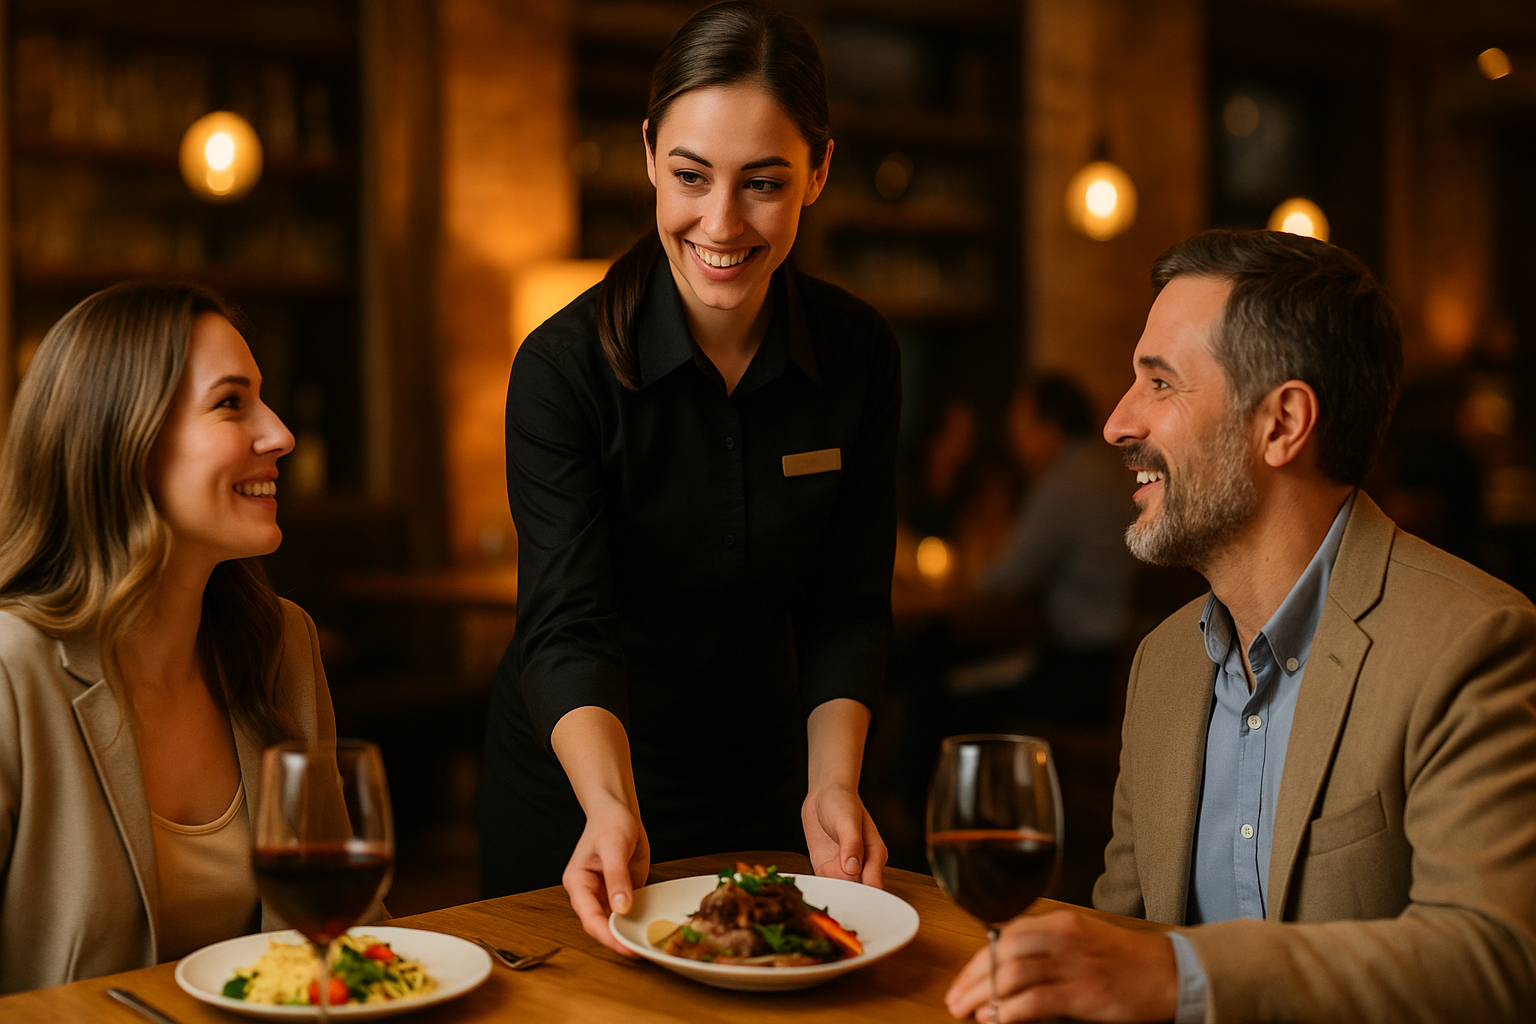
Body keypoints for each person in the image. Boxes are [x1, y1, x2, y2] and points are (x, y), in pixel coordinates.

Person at [945, 229, 1536, 1023]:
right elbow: (1119, 935)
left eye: (1159, 383)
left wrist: (1179, 975)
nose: (1119, 423)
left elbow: (1495, 960)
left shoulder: (1469, 642)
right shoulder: (1160, 665)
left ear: (1283, 424)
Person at [480, 0, 898, 955]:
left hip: (765, 782)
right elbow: (565, 622)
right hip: (581, 793)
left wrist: (831, 786)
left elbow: (847, 604)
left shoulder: (860, 353)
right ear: (648, 158)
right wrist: (610, 806)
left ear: (819, 172)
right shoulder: (561, 370)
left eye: (764, 183)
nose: (722, 222)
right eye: (690, 176)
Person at [0, 282, 338, 993]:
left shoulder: (284, 647)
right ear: (123, 439)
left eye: (262, 398)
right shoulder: (11, 673)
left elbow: (340, 933)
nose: (280, 433)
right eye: (230, 402)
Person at [966, 373, 1135, 725]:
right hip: (1123, 665)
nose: (1014, 438)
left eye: (1020, 424)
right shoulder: (1112, 470)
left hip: (1082, 671)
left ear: (1051, 426)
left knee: (953, 698)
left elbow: (1002, 579)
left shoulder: (1063, 484)